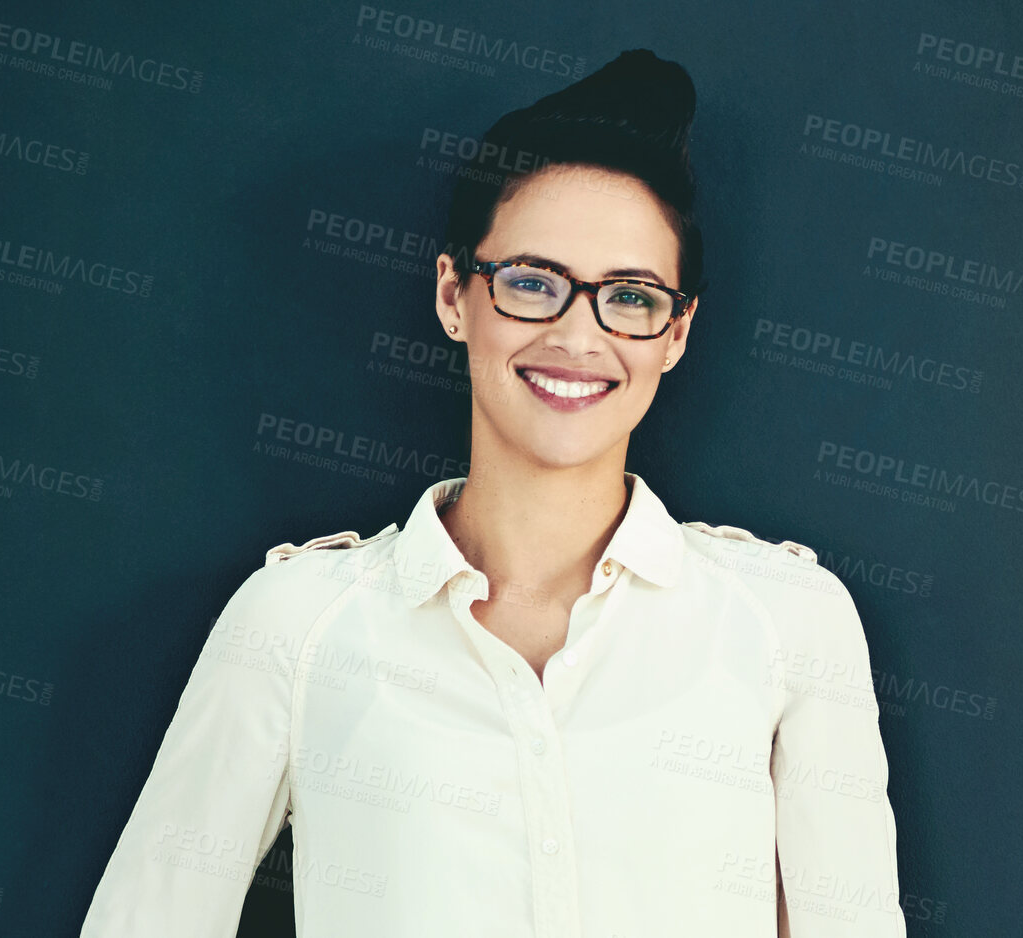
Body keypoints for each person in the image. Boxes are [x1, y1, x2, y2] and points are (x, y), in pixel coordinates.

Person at [80, 49, 905, 937]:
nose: (578, 335)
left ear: (675, 331)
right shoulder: (296, 624)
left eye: (629, 296)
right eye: (532, 283)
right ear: (453, 295)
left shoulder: (789, 622)